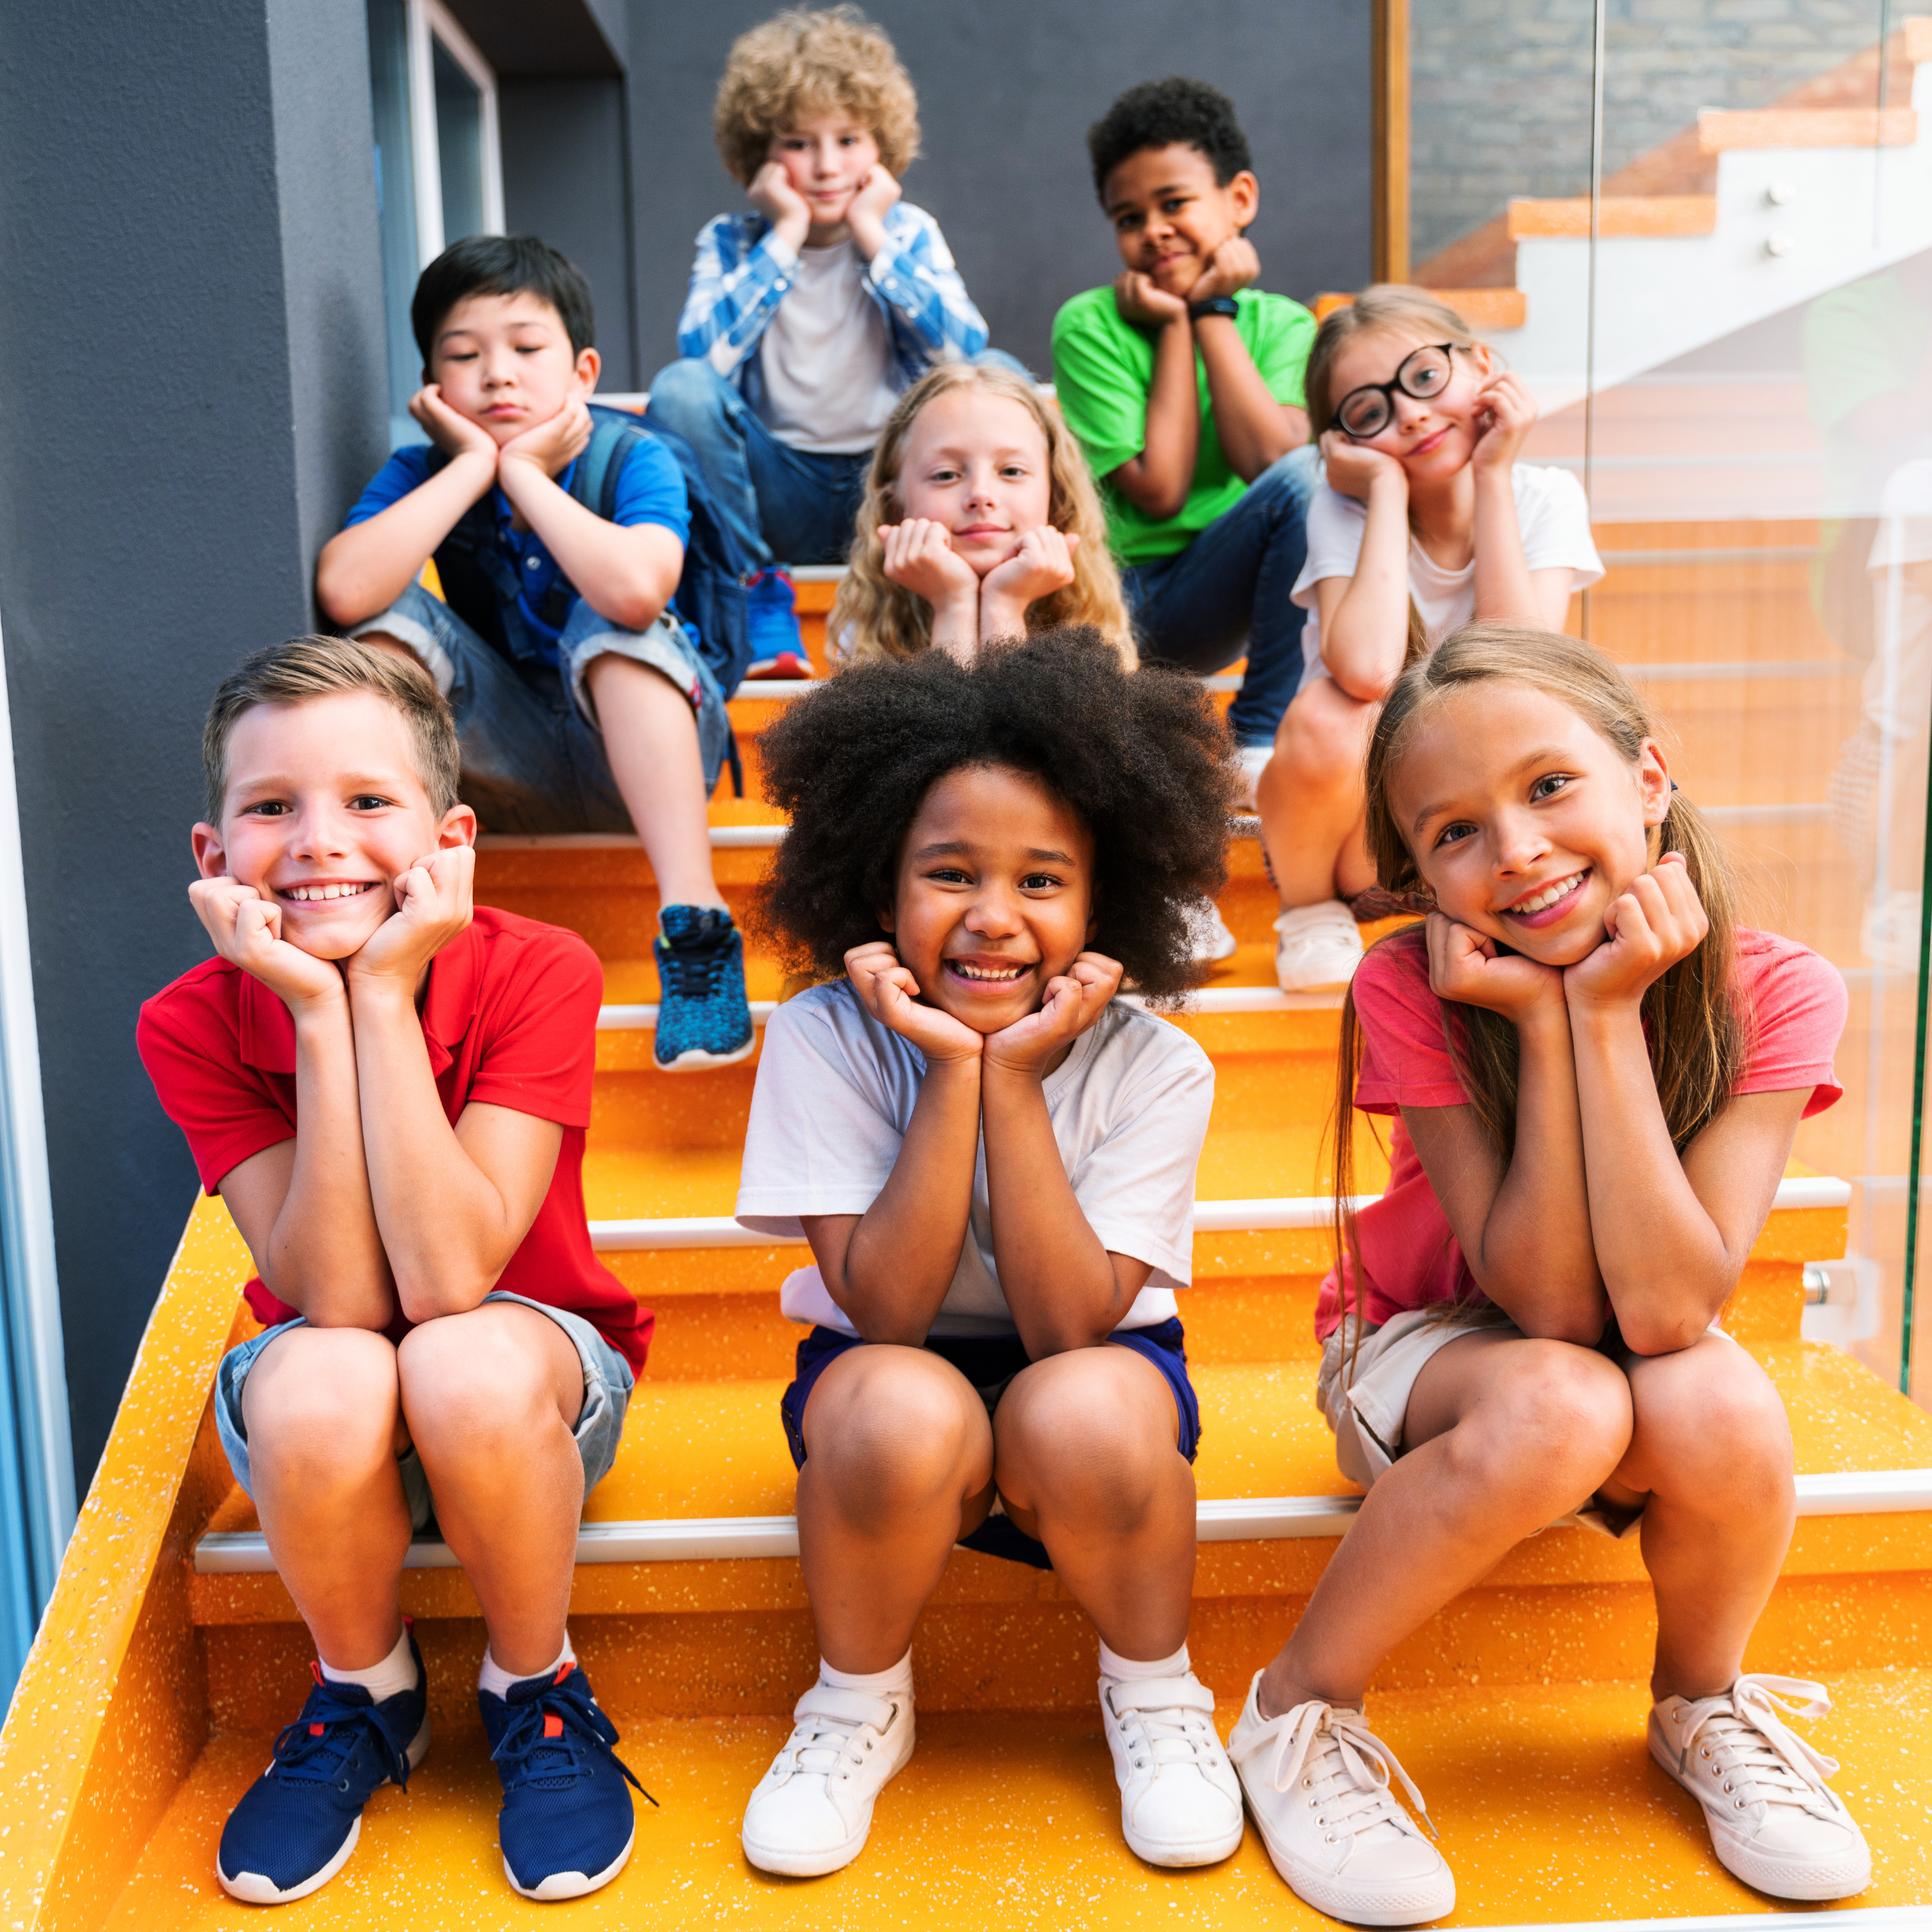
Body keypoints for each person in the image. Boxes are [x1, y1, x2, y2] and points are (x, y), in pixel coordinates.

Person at [1225, 624, 1869, 1923]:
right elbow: (1551, 1308)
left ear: (1647, 778)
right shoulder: (1411, 979)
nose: (1512, 849)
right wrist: (1538, 1010)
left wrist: (1601, 1012)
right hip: (1422, 1339)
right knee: (1561, 1400)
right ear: (1414, 872)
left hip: (1632, 1319)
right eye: (1451, 831)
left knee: (1717, 1399)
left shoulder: (1777, 987)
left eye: (1546, 786)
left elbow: (1667, 1309)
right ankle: (1293, 1704)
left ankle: (1698, 1702)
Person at [135, 638, 652, 1906]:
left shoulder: (541, 969)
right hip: (340, 1401)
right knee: (318, 1377)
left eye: (367, 801)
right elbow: (343, 1298)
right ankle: (365, 1688)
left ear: (448, 839)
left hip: (519, 1380)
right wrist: (316, 1008)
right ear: (215, 858)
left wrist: (382, 997)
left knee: (457, 1359)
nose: (318, 840)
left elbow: (448, 1275)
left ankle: (537, 1682)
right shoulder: (192, 1017)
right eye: (271, 807)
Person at [733, 631, 1244, 1877]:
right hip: (892, 1377)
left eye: (1041, 880)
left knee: (1085, 1407)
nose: (993, 918)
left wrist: (1005, 1074)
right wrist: (945, 1071)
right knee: (888, 1403)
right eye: (947, 873)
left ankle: (1156, 1691)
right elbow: (887, 1310)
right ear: (876, 890)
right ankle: (856, 1702)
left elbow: (1074, 1325)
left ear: (1104, 898)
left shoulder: (1155, 1062)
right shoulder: (821, 1036)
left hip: (1092, 1374)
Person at [314, 233, 754, 1074]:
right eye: (464, 355)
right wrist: (476, 465)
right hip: (513, 766)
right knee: (382, 636)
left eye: (525, 348)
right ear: (434, 386)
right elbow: (344, 589)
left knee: (612, 623)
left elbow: (637, 592)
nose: (498, 375)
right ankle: (402, 922)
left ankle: (696, 929)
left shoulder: (635, 455)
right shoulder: (425, 469)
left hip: (649, 751)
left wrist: (527, 479)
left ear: (583, 372)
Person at [1257, 285, 1603, 992]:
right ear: (1343, 443)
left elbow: (1520, 677)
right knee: (1329, 711)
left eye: (1422, 378)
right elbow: (1365, 668)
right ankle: (1307, 910)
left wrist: (1492, 473)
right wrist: (1383, 491)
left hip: (1480, 824)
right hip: (1365, 838)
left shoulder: (1545, 494)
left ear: (1481, 364)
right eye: (1370, 412)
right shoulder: (1343, 506)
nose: (1410, 416)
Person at [646, 5, 995, 675]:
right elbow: (703, 364)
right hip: (777, 493)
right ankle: (759, 601)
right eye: (799, 143)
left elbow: (962, 355)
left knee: (996, 372)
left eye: (848, 139)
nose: (826, 165)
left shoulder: (907, 231)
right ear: (763, 154)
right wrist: (783, 237)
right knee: (678, 389)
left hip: (890, 485)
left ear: (882, 146)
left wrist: (872, 235)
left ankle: (970, 600)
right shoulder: (733, 240)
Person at [1052, 76, 1321, 784]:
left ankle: (1258, 736)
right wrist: (1176, 323)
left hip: (1225, 592)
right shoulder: (1088, 323)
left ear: (1239, 201)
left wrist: (1214, 315)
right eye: (1128, 218)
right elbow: (1158, 492)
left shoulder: (1284, 324)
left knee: (1312, 474)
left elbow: (1272, 461)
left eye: (1173, 204)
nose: (1153, 231)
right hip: (1116, 604)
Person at [829, 360, 1135, 668]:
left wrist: (1005, 606)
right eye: (946, 475)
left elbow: (1014, 720)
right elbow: (949, 719)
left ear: (1056, 494)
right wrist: (953, 606)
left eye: (1012, 471)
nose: (980, 495)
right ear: (895, 503)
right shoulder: (868, 631)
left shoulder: (1094, 625)